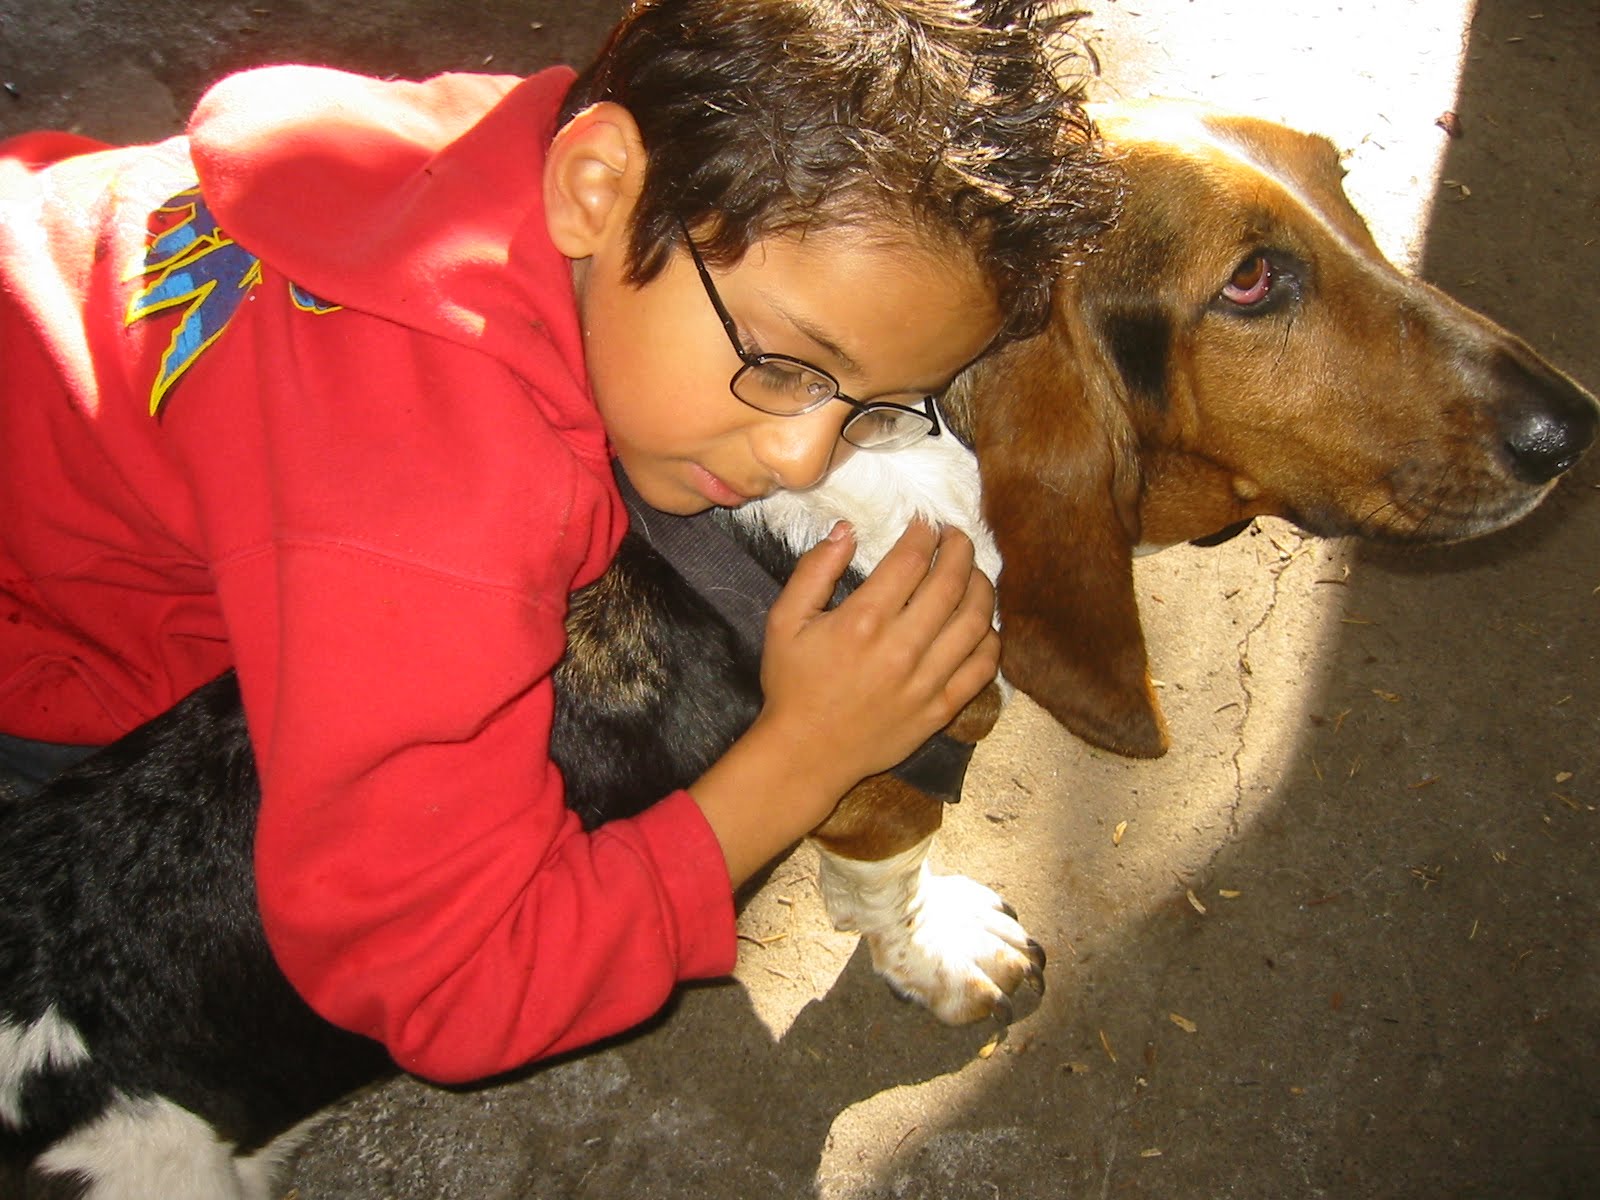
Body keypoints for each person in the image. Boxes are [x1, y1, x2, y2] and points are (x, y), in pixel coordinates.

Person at [0, 0, 1103, 1083]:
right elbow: (454, 984)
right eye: (781, 365)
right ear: (596, 184)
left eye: (875, 410)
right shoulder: (432, 520)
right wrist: (808, 755)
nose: (805, 458)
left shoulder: (523, 152)